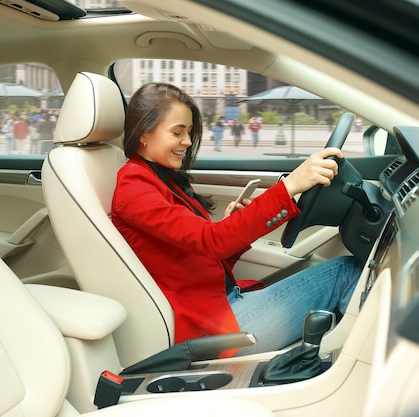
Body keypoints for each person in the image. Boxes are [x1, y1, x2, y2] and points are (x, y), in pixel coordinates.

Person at [111, 83, 362, 357]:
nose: (187, 141)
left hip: (226, 303)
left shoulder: (163, 179)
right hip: (216, 328)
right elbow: (212, 242)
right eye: (177, 132)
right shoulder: (134, 186)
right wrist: (290, 186)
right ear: (144, 134)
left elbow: (204, 255)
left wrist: (235, 225)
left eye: (189, 132)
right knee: (347, 272)